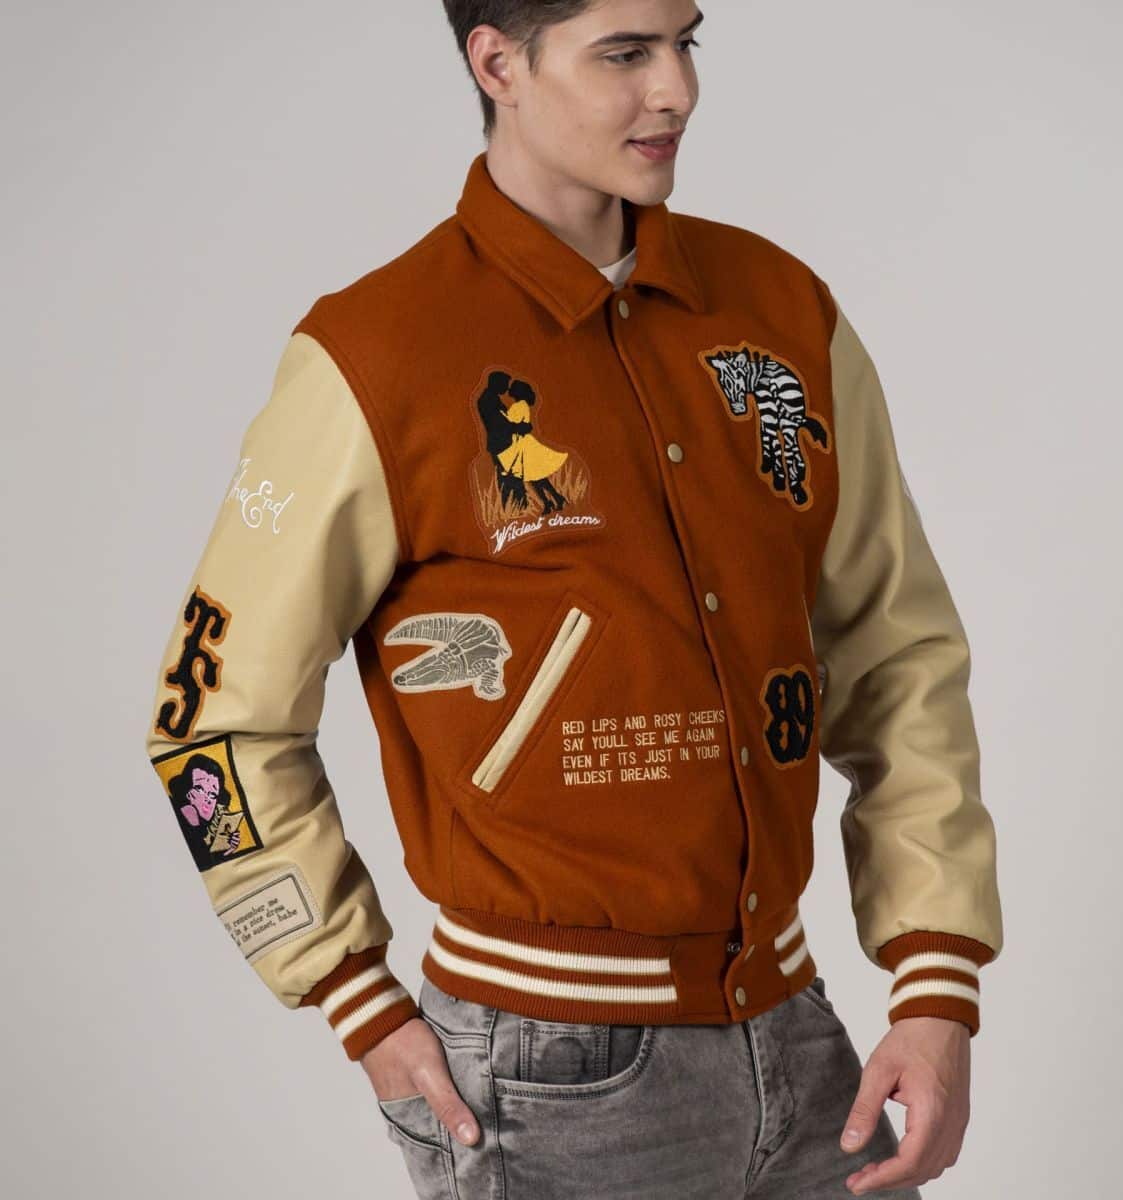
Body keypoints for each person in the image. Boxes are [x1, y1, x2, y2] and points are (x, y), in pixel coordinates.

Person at [143, 2, 1003, 1196]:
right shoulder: (374, 354)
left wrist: (936, 979)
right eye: (624, 54)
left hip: (803, 1041)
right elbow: (210, 721)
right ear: (497, 61)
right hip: (545, 1080)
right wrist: (350, 993)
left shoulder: (779, 309)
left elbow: (895, 651)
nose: (676, 90)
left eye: (686, 42)